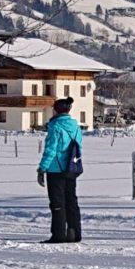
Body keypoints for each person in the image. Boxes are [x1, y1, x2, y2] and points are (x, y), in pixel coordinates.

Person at [37, 94, 85, 243]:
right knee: (71, 201)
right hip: (71, 168)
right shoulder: (76, 127)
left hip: (55, 170)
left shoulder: (55, 126)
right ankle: (74, 233)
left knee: (57, 203)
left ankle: (59, 234)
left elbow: (51, 150)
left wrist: (42, 168)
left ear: (57, 111)